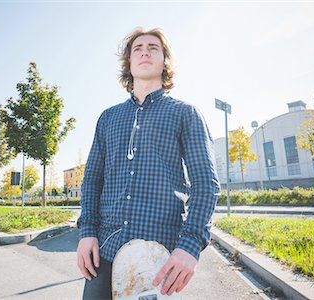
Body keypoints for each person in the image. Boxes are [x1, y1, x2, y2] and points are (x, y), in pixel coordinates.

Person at [77, 27, 221, 300]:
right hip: (104, 252)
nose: (145, 51)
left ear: (165, 61)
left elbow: (206, 185)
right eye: (138, 48)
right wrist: (86, 233)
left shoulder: (185, 114)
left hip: (159, 258)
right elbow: (92, 179)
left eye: (153, 47)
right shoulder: (108, 118)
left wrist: (190, 246)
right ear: (128, 63)